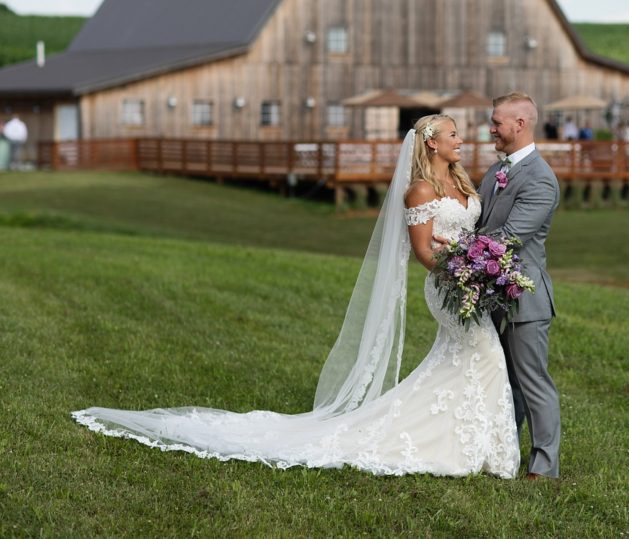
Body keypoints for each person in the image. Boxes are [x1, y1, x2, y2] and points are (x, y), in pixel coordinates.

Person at [72, 114, 519, 478]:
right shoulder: (419, 191)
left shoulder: (463, 184)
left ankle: (467, 443)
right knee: (485, 356)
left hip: (470, 283)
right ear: (432, 144)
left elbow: (469, 233)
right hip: (448, 287)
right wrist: (462, 272)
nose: (462, 140)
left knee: (469, 360)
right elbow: (423, 251)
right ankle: (467, 447)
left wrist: (480, 264)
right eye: (454, 135)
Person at [478, 92, 561, 480]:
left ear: (520, 125)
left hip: (524, 296)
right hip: (490, 292)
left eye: (497, 122)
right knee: (500, 379)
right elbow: (480, 226)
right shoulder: (495, 172)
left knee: (531, 382)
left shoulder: (541, 178)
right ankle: (501, 449)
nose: (491, 128)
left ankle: (544, 466)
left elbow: (509, 237)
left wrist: (460, 255)